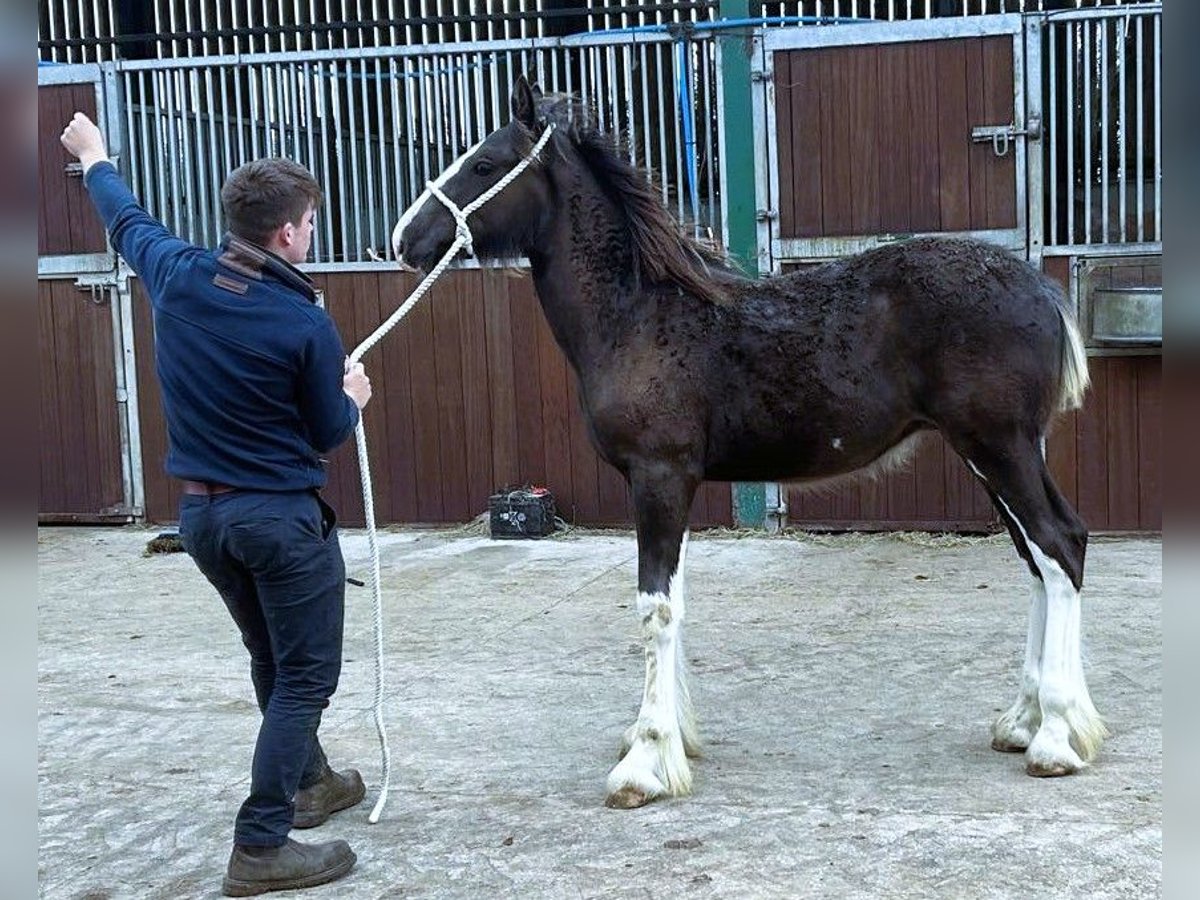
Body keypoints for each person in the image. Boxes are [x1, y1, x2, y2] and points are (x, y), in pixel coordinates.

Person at [61, 112, 371, 897]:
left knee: (273, 660)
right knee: (305, 677)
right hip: (277, 522)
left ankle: (313, 783)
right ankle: (261, 844)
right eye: (308, 223)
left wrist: (96, 156)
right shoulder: (305, 323)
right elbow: (330, 431)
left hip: (203, 522)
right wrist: (354, 396)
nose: (309, 233)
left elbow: (124, 217)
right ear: (290, 236)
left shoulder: (175, 272)